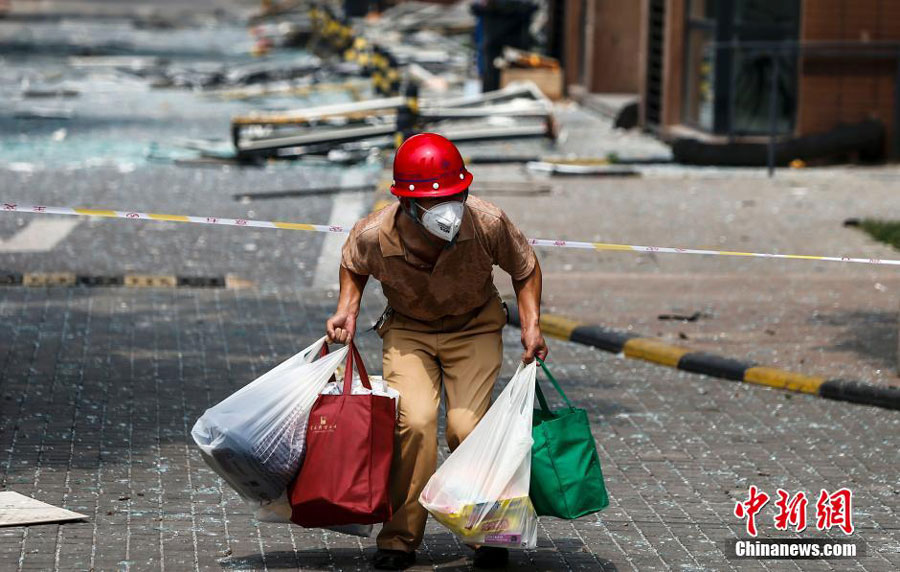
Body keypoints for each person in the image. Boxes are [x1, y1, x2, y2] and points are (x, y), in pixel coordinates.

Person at [326, 132, 547, 570]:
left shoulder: (486, 221)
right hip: (409, 331)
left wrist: (531, 325)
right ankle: (399, 540)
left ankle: (487, 534)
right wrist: (345, 310)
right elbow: (353, 264)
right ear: (407, 203)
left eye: (456, 195)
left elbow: (525, 268)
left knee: (466, 429)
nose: (449, 208)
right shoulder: (374, 233)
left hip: (475, 329)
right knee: (415, 424)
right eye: (435, 200)